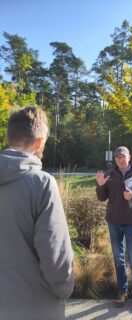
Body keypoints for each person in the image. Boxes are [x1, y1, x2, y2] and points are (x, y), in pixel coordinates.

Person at [0, 106, 75, 320]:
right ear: (40, 142)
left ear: (9, 136)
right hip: (36, 307)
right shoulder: (42, 184)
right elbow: (56, 255)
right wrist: (64, 289)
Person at [96, 146, 132, 310]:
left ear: (129, 157)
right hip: (114, 222)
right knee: (118, 258)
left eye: (123, 156)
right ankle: (122, 292)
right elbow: (102, 197)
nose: (120, 159)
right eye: (117, 157)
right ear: (115, 160)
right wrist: (100, 186)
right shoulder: (109, 174)